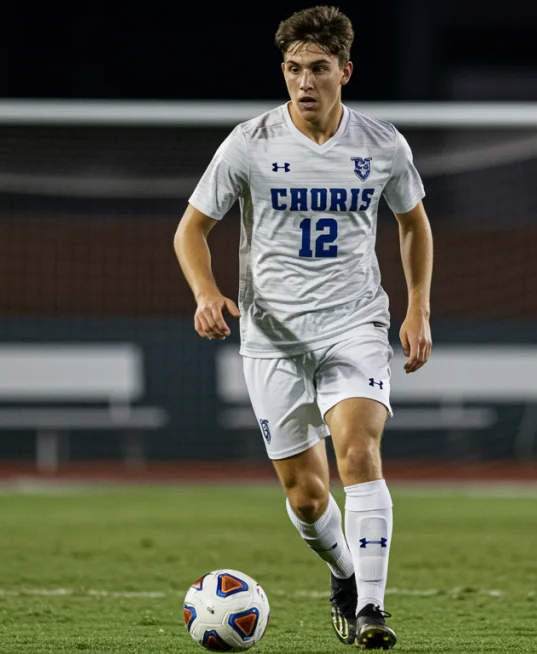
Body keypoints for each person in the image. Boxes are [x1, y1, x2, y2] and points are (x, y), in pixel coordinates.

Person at [173, 6, 433, 649]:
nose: (305, 82)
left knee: (358, 452)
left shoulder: (382, 144)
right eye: (293, 69)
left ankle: (372, 609)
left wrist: (418, 306)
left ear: (345, 70)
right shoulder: (249, 143)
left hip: (356, 325)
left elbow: (414, 224)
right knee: (310, 497)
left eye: (318, 68)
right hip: (273, 337)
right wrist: (206, 292)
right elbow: (191, 230)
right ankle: (344, 572)